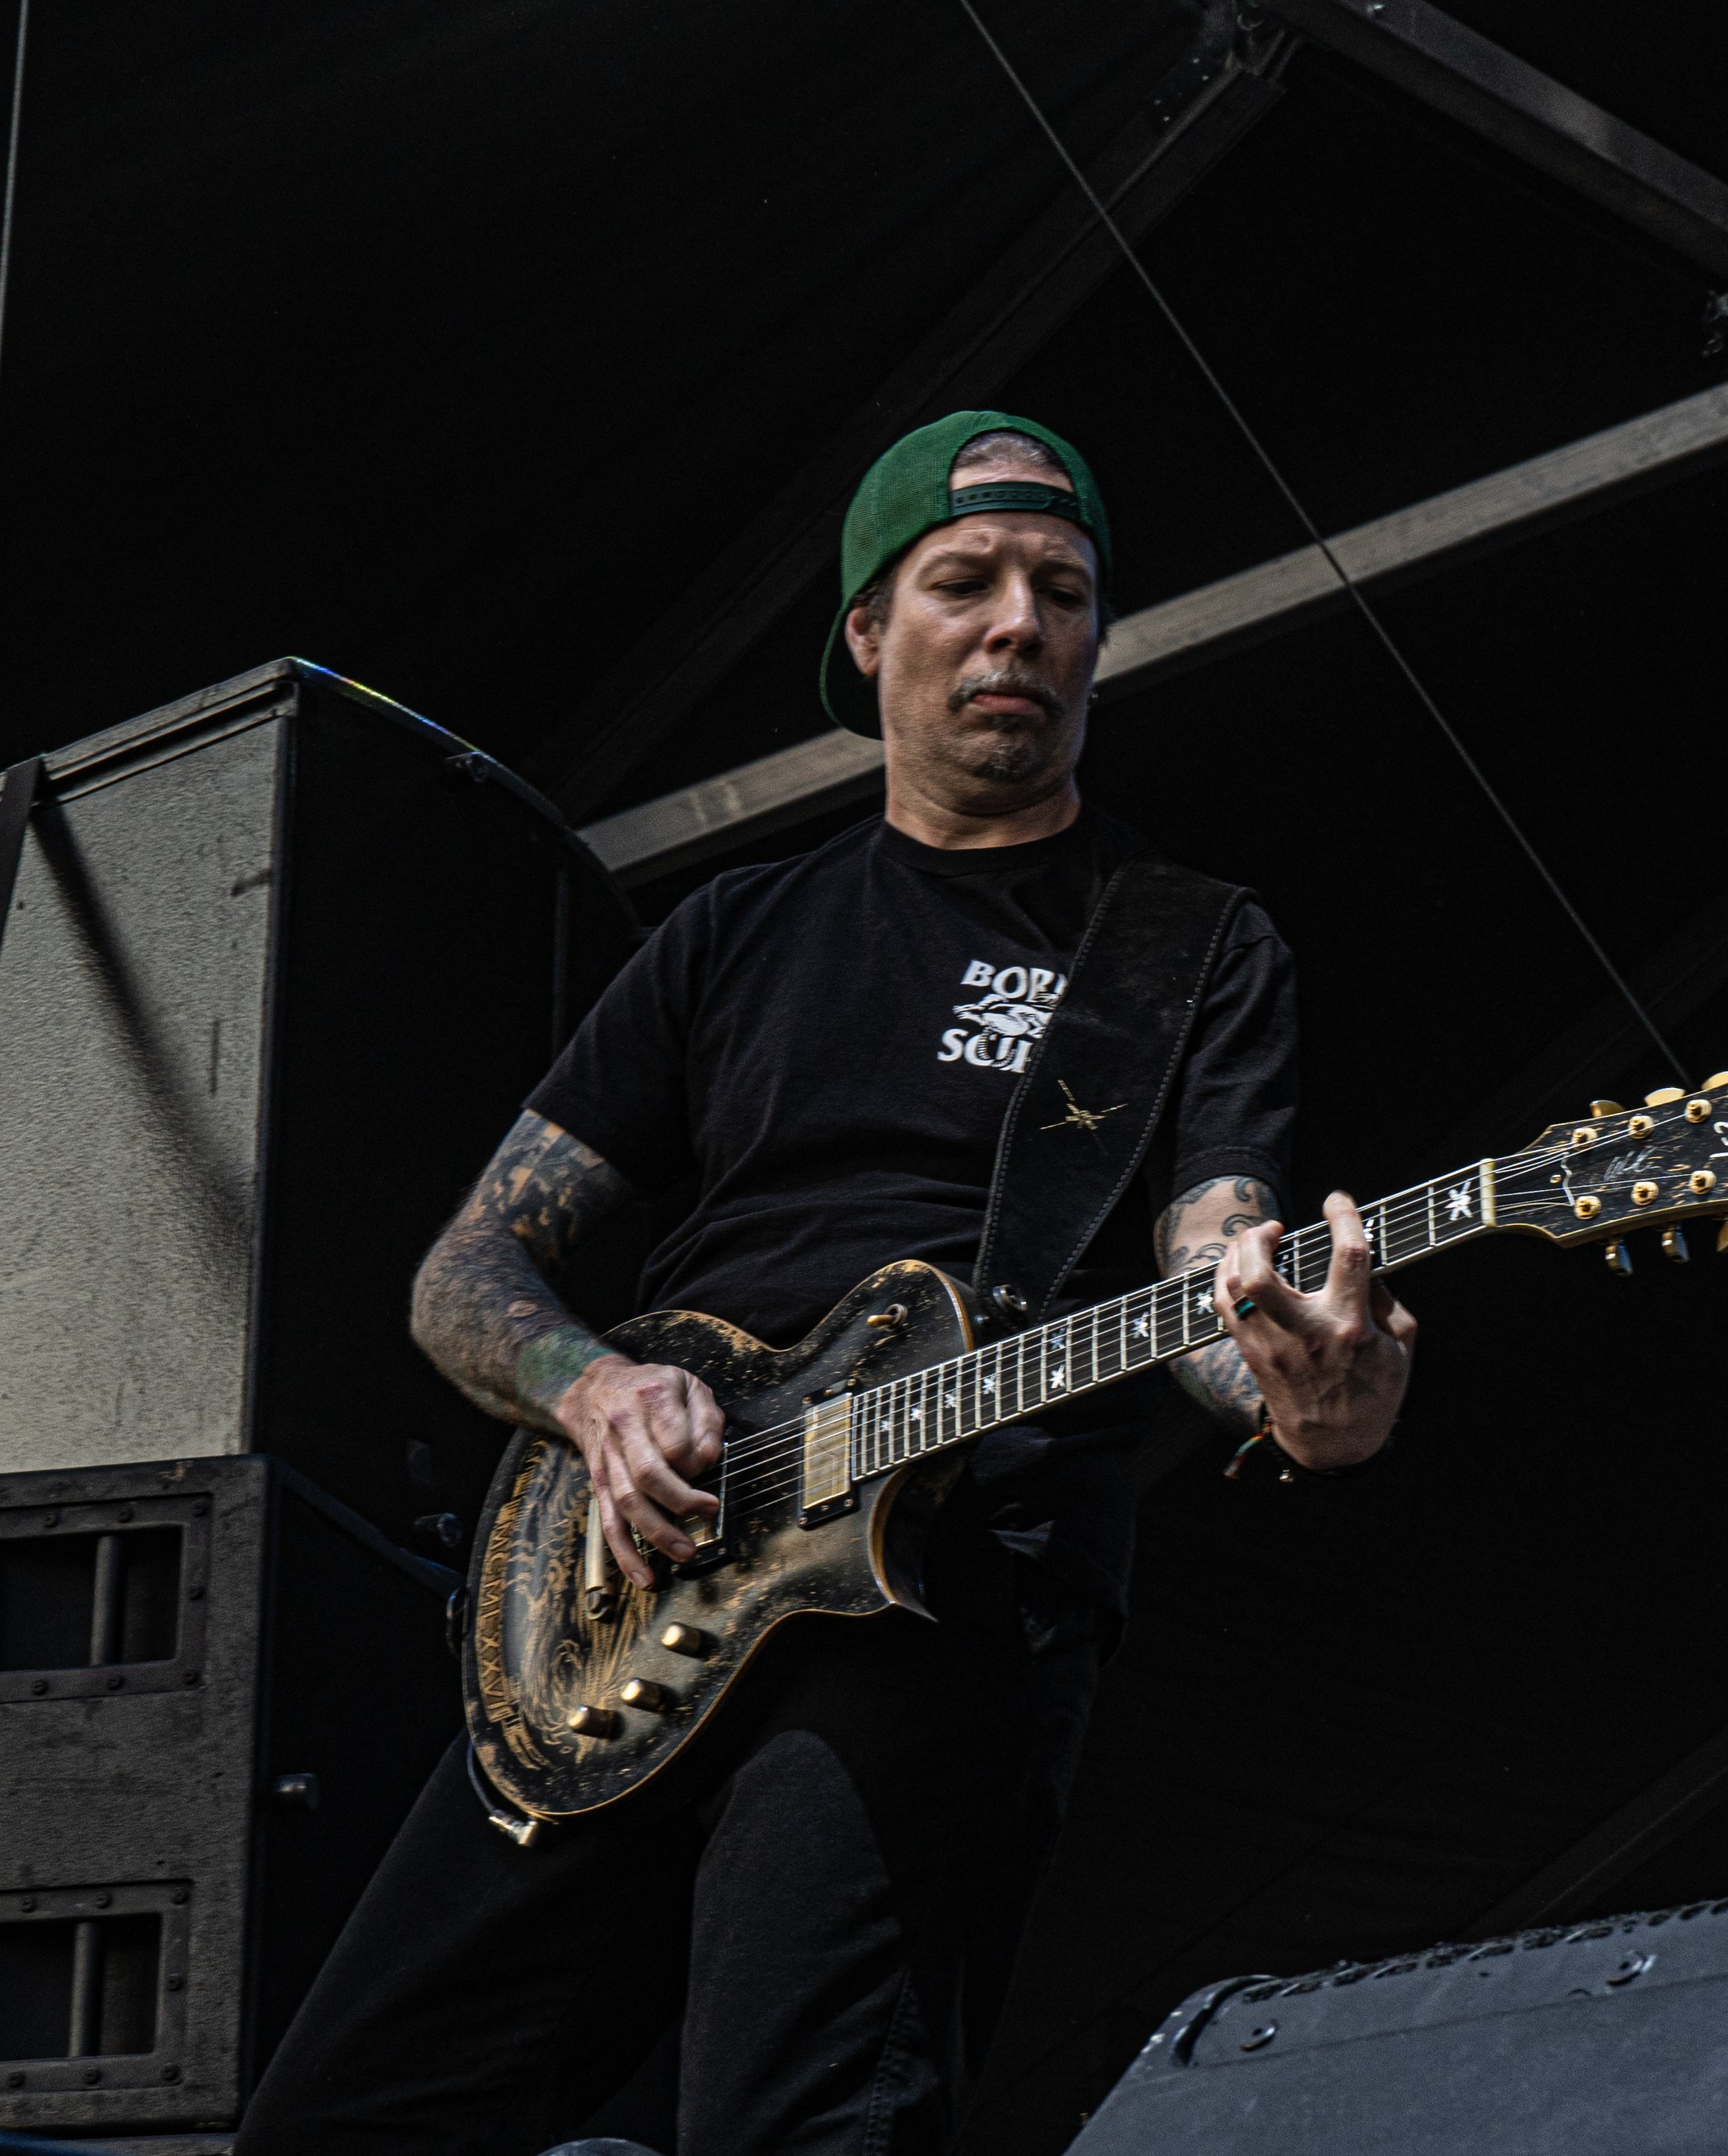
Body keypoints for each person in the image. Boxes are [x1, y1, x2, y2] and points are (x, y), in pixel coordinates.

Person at [234, 411, 1414, 2156]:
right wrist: (593, 1390)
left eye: (1063, 590)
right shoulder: (731, 933)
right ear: (868, 635)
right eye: (966, 582)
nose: (1020, 622)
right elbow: (468, 1264)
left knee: (796, 2120)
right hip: (622, 1588)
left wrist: (1309, 1393)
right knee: (339, 2122)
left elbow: (1210, 1258)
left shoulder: (1182, 943)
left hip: (938, 1579)